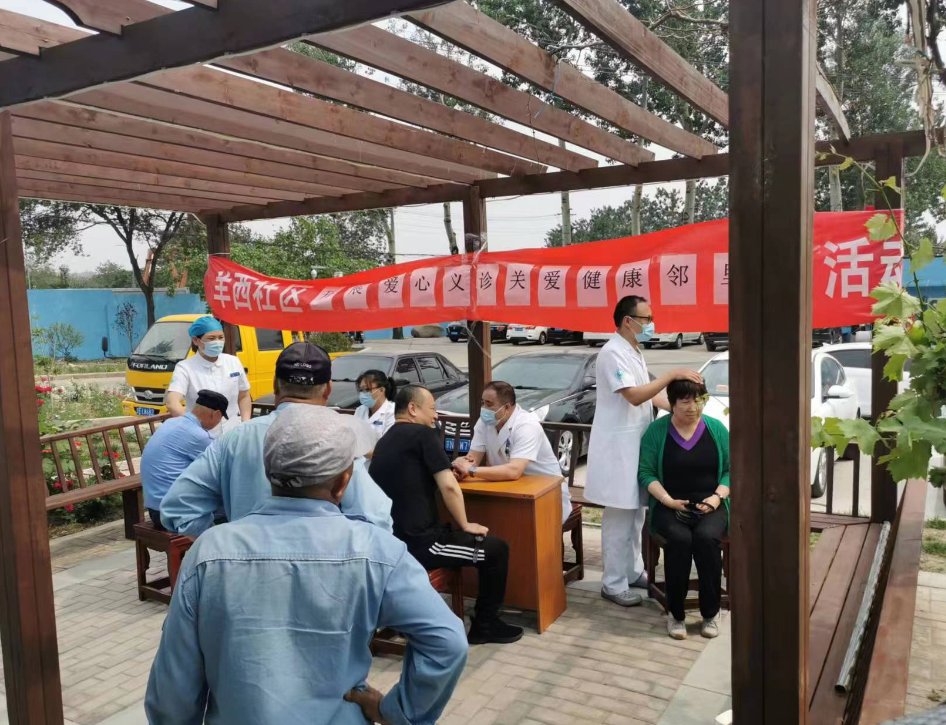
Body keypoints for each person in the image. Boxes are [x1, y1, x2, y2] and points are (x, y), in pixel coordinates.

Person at [145, 404, 468, 725]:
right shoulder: (378, 551)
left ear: (269, 473)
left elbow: (173, 683)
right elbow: (446, 642)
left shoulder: (209, 552)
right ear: (343, 482)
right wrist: (396, 710)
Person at [160, 342, 392, 537]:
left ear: (274, 385)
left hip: (246, 569)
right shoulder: (338, 436)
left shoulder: (234, 439)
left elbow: (178, 508)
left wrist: (224, 543)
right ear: (328, 389)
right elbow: (376, 520)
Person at [370, 384, 522, 645]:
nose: (436, 415)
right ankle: (485, 625)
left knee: (484, 546)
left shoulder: (386, 440)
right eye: (432, 409)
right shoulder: (422, 434)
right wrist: (465, 524)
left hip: (390, 541)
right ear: (413, 409)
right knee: (496, 550)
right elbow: (449, 486)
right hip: (421, 543)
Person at [584, 295, 704, 608]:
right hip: (617, 451)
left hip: (635, 445)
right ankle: (612, 583)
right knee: (619, 518)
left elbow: (650, 396)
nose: (651, 324)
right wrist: (671, 375)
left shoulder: (633, 351)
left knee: (636, 514)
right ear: (628, 321)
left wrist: (681, 409)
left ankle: (632, 570)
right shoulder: (612, 353)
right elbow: (635, 395)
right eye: (646, 319)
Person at [639, 379, 730, 640]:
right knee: (680, 540)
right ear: (672, 403)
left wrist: (716, 498)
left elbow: (730, 470)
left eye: (698, 400)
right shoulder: (657, 431)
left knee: (706, 539)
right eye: (685, 401)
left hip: (710, 504)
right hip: (670, 504)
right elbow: (646, 472)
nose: (693, 407)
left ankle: (710, 613)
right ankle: (676, 615)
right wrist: (667, 500)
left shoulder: (716, 428)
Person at [453, 380, 572, 524]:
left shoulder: (526, 425)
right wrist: (461, 467)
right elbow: (473, 459)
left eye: (489, 404)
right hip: (508, 489)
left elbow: (514, 471)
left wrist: (471, 470)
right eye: (482, 403)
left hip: (546, 494)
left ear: (507, 407)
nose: (483, 409)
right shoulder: (484, 423)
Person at [140, 390, 227, 531]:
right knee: (234, 506)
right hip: (174, 514)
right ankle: (220, 544)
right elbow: (224, 469)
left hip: (155, 509)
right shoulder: (199, 436)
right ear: (216, 414)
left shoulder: (170, 423)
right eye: (221, 418)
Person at [166, 316, 250, 436]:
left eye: (221, 337)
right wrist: (193, 429)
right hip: (202, 436)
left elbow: (244, 396)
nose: (217, 342)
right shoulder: (185, 367)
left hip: (233, 432)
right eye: (211, 338)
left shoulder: (233, 361)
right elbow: (172, 402)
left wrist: (246, 424)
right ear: (196, 340)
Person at [355, 369, 396, 440]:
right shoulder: (360, 410)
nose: (363, 394)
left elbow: (388, 443)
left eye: (367, 389)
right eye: (361, 390)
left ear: (381, 390)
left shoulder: (393, 412)